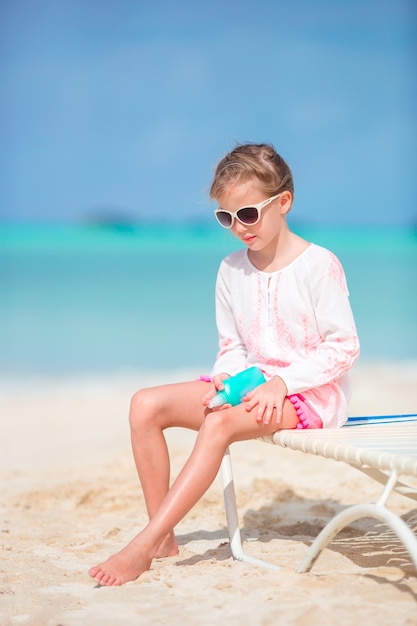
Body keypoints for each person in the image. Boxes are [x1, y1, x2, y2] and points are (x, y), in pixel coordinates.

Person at [88, 142, 360, 586]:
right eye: (225, 217)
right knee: (144, 404)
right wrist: (225, 375)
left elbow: (344, 347)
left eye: (248, 214)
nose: (238, 227)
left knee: (216, 427)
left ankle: (141, 545)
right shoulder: (231, 269)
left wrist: (282, 382)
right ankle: (164, 537)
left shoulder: (319, 265)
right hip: (250, 384)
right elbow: (232, 345)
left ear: (283, 202)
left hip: (309, 393)